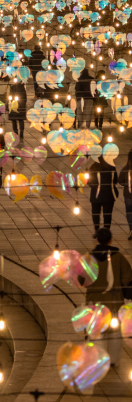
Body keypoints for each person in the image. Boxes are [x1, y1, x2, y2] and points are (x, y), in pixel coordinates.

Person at [83, 228, 132, 366]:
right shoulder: (119, 257)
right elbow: (127, 278)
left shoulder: (89, 258)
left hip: (94, 301)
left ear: (97, 239)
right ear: (111, 240)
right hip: (114, 301)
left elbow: (82, 280)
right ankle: (112, 360)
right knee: (114, 332)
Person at [89, 156, 119, 234]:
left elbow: (89, 182)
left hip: (96, 195)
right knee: (107, 213)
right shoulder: (112, 167)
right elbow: (115, 180)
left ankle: (97, 229)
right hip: (109, 194)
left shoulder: (93, 167)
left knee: (95, 213)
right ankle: (106, 230)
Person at [120, 150, 132, 240]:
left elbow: (120, 181)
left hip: (128, 194)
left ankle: (131, 229)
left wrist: (126, 184)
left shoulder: (125, 169)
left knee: (129, 212)